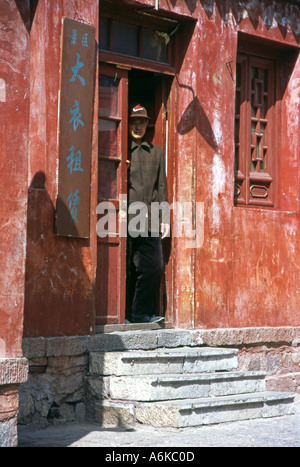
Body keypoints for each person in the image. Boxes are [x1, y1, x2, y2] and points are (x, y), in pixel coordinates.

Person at [126, 103, 170, 323]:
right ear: (128, 123)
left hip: (151, 218)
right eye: (134, 121)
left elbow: (161, 187)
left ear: (147, 124)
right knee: (126, 267)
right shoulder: (122, 152)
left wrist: (165, 219)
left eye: (141, 122)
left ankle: (141, 313)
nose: (138, 126)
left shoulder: (157, 152)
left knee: (154, 266)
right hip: (125, 217)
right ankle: (126, 315)